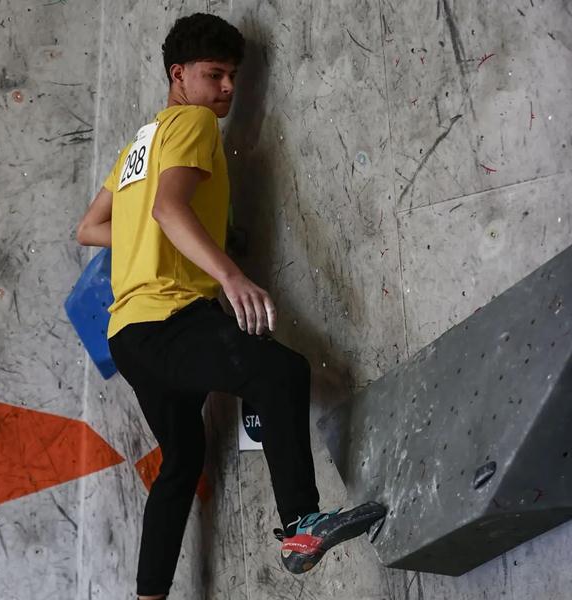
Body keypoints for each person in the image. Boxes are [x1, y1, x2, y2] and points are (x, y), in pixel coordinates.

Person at [76, 12, 386, 600]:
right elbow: (169, 208)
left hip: (129, 336)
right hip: (169, 317)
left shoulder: (139, 143)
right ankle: (301, 524)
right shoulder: (192, 122)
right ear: (178, 75)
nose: (226, 88)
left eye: (233, 77)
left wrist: (166, 234)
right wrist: (230, 274)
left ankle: (148, 597)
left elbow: (90, 228)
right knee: (280, 372)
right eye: (213, 74)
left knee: (181, 463)